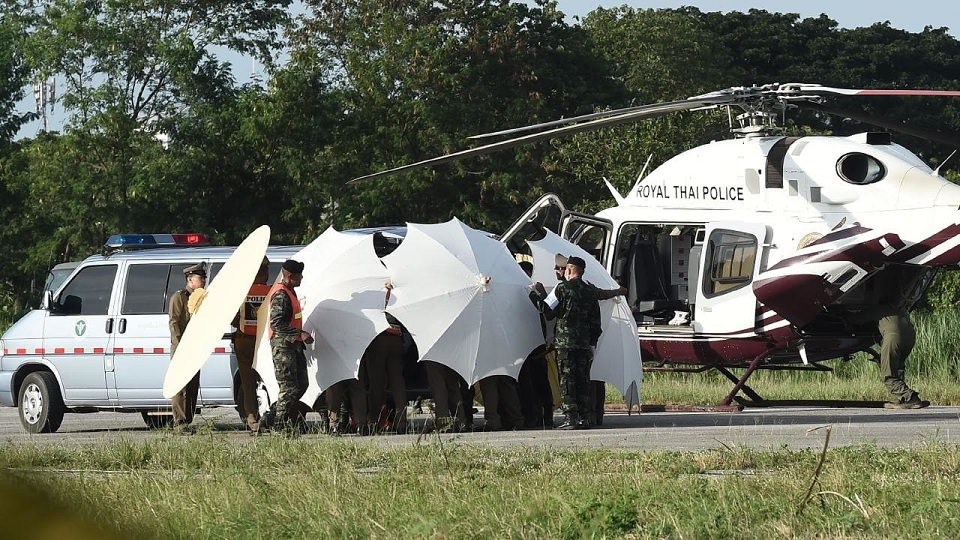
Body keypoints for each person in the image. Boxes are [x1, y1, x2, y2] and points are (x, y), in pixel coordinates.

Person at [530, 256, 602, 429]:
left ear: (569, 269)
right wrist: (591, 342)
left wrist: (535, 294)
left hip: (565, 343)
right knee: (583, 379)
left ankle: (571, 418)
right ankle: (585, 418)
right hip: (584, 344)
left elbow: (546, 311)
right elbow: (596, 323)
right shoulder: (590, 292)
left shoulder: (562, 288)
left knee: (567, 379)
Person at [854, 265, 930, 409]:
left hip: (894, 338)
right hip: (910, 337)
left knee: (888, 375)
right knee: (898, 368)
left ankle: (911, 397)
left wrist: (841, 317)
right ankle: (902, 399)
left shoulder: (878, 308)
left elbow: (856, 319)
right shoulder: (900, 308)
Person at [265, 259, 314, 435]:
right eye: (298, 275)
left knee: (301, 384)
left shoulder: (290, 291)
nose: (301, 278)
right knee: (289, 387)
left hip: (293, 346)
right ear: (289, 276)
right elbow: (277, 323)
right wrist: (299, 334)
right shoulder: (281, 294)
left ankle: (270, 418)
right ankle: (279, 424)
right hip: (283, 347)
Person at [362, 282, 408, 433]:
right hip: (397, 338)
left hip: (378, 338)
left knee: (376, 383)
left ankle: (374, 421)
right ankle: (402, 422)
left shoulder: (372, 290)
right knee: (398, 383)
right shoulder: (400, 290)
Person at [232, 256, 271, 432]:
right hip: (264, 343)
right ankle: (272, 416)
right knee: (269, 380)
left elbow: (233, 319)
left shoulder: (241, 292)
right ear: (264, 272)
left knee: (248, 383)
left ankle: (251, 417)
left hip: (244, 342)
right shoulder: (271, 292)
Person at [168, 262, 206, 434]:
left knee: (192, 386)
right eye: (200, 277)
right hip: (182, 347)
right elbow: (174, 323)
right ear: (190, 279)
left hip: (195, 348)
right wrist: (179, 346)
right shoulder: (180, 296)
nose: (203, 280)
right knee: (181, 387)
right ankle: (180, 422)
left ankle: (188, 420)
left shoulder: (203, 297)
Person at [516, 260, 555, 429]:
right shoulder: (524, 292)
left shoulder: (531, 293)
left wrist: (539, 294)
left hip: (534, 345)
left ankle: (541, 416)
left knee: (536, 382)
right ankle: (537, 415)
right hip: (528, 344)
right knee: (532, 382)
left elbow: (548, 312)